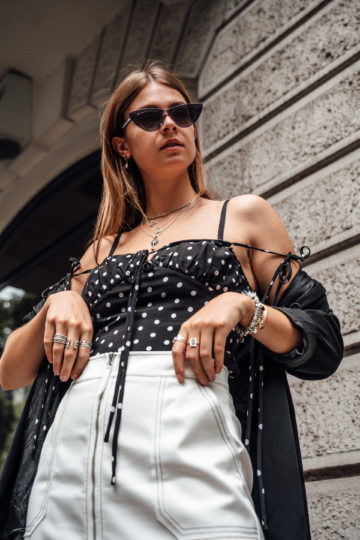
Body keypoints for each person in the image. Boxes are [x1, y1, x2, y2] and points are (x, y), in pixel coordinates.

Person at [0, 61, 343, 540]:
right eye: (148, 117)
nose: (169, 124)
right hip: (71, 468)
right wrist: (59, 302)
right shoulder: (101, 249)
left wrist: (244, 308)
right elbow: (10, 371)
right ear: (121, 145)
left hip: (193, 460)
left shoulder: (241, 217)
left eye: (181, 113)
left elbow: (323, 342)